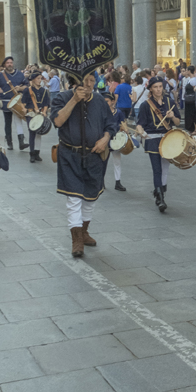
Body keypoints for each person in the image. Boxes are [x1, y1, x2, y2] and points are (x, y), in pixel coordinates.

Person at [50, 71, 116, 257]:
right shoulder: (62, 98)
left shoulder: (100, 101)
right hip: (70, 154)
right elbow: (57, 121)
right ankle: (76, 240)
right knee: (73, 199)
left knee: (90, 196)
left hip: (94, 155)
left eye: (92, 81)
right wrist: (74, 101)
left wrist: (105, 138)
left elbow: (110, 124)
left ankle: (84, 231)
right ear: (75, 82)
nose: (88, 84)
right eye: (84, 80)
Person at [136, 76, 181, 211]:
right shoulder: (145, 105)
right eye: (155, 87)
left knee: (165, 170)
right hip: (152, 139)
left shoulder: (170, 102)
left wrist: (172, 116)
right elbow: (139, 124)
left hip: (167, 138)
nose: (158, 89)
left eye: (160, 86)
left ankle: (159, 192)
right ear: (150, 89)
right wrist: (141, 132)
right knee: (157, 169)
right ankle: (161, 199)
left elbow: (178, 122)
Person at [0, 56, 27, 151]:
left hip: (17, 102)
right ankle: (9, 142)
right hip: (6, 103)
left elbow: (26, 86)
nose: (9, 64)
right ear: (4, 64)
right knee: (8, 123)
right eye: (8, 63)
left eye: (11, 62)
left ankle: (21, 142)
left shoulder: (20, 74)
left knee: (18, 121)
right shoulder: (0, 76)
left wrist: (20, 88)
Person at [21, 69, 51, 163]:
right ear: (33, 80)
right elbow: (23, 102)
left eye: (40, 78)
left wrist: (45, 111)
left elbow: (46, 103)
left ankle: (37, 153)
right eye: (38, 78)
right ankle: (32, 153)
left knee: (39, 133)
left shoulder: (44, 91)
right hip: (31, 113)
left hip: (40, 113)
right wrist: (23, 108)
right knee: (32, 132)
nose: (39, 80)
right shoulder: (27, 90)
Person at [103, 91, 128, 192]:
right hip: (105, 140)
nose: (105, 103)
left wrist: (124, 129)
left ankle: (118, 182)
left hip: (116, 140)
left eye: (107, 101)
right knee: (103, 162)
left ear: (112, 101)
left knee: (117, 162)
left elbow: (123, 124)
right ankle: (101, 182)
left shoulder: (119, 113)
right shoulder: (101, 113)